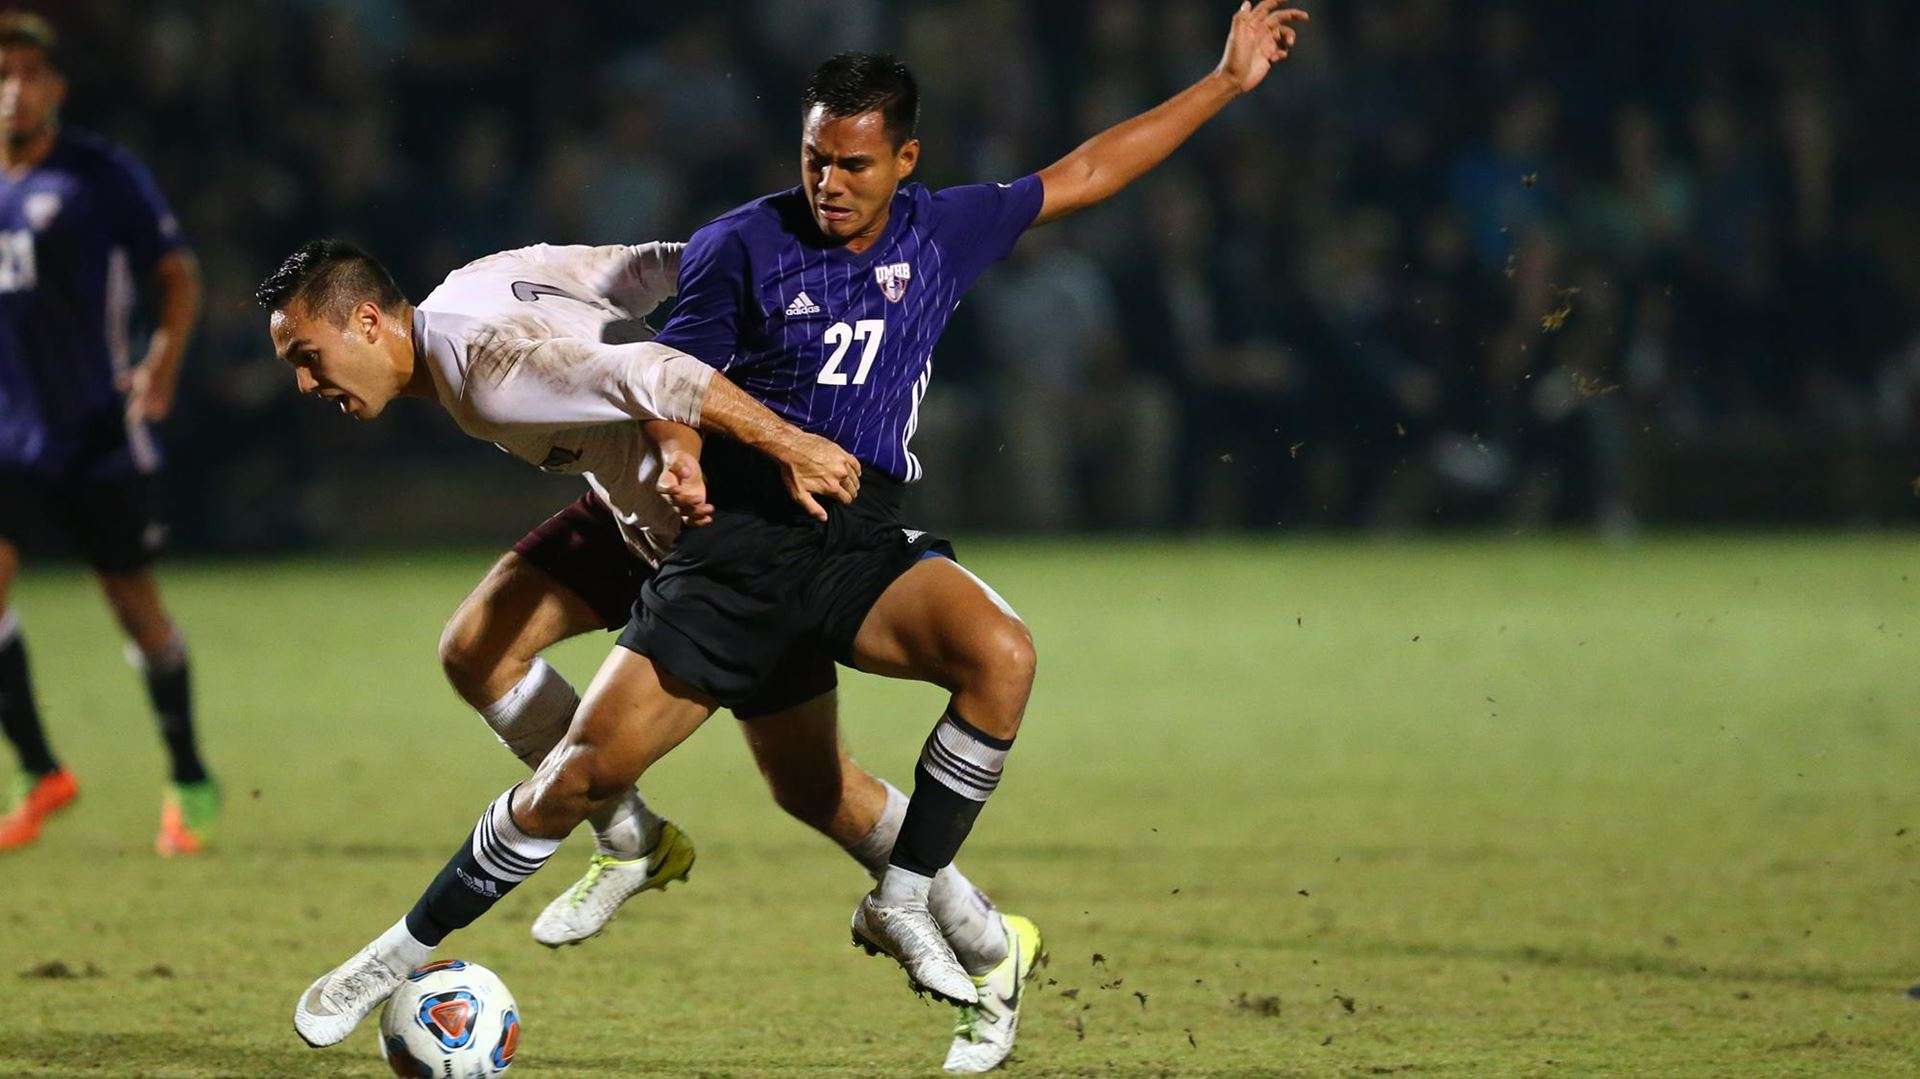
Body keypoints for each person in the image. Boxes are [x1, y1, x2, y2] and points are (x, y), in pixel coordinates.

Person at [292, 2, 1309, 1070]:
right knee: (594, 762)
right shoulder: (744, 240)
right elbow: (674, 370)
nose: (829, 181)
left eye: (855, 163)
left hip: (841, 532)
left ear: (904, 160)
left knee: (974, 673)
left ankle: (925, 909)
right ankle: (409, 948)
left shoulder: (941, 229)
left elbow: (1091, 172)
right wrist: (682, 450)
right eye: (815, 157)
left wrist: (1226, 82)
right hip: (722, 537)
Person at [259, 239, 1030, 1068]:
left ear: (368, 321)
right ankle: (633, 840)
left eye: (308, 357)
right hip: (637, 516)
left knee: (811, 785)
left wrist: (773, 439)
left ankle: (987, 943)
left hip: (711, 537)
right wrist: (736, 268)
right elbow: (649, 264)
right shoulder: (468, 286)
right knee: (478, 649)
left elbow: (658, 373)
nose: (305, 384)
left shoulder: (485, 367)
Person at [0, 11, 217, 855]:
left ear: (56, 87)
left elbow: (178, 273)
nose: (13, 88)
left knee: (137, 612)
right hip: (7, 434)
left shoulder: (100, 174)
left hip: (93, 428)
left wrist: (160, 361)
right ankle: (41, 771)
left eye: (28, 73)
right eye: (2, 73)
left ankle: (190, 776)